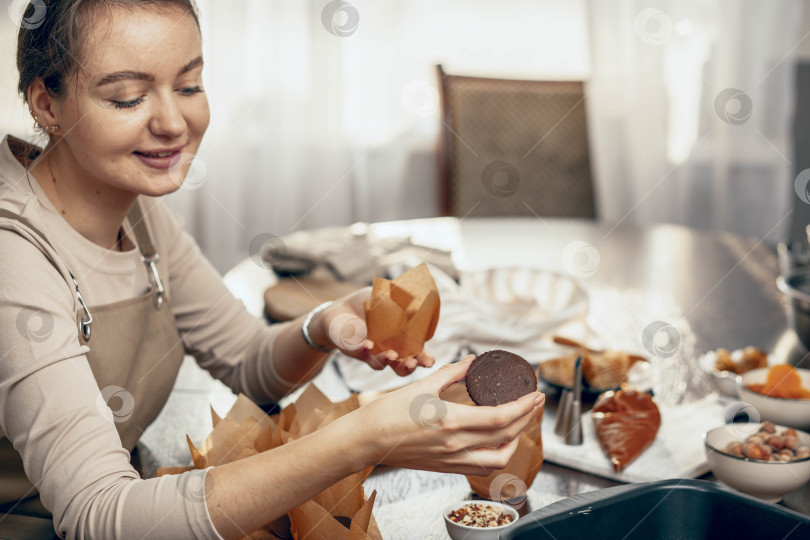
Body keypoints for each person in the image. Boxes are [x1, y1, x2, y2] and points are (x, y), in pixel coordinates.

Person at [0, 1, 545, 538]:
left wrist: (326, 324)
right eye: (126, 97)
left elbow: (246, 361)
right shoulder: (14, 257)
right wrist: (364, 437)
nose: (173, 122)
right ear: (46, 104)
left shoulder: (139, 216)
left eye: (189, 86)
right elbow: (99, 515)